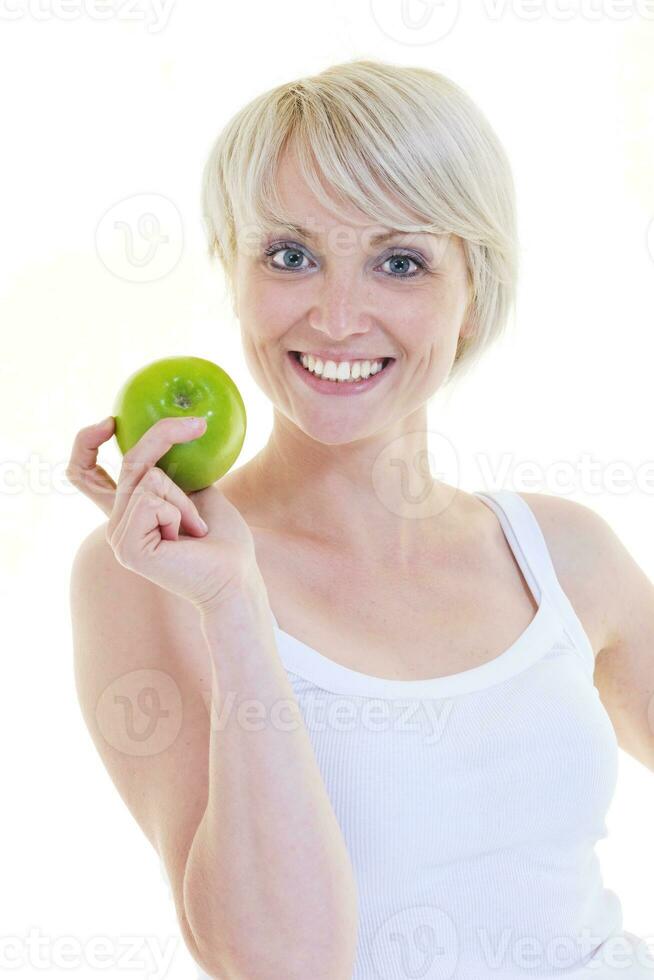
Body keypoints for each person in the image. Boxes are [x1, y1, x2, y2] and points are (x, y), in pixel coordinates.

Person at [67, 59, 654, 979]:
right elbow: (282, 964)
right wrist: (232, 599)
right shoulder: (150, 573)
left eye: (401, 261)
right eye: (291, 255)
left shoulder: (561, 552)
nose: (337, 317)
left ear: (473, 294)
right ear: (236, 271)